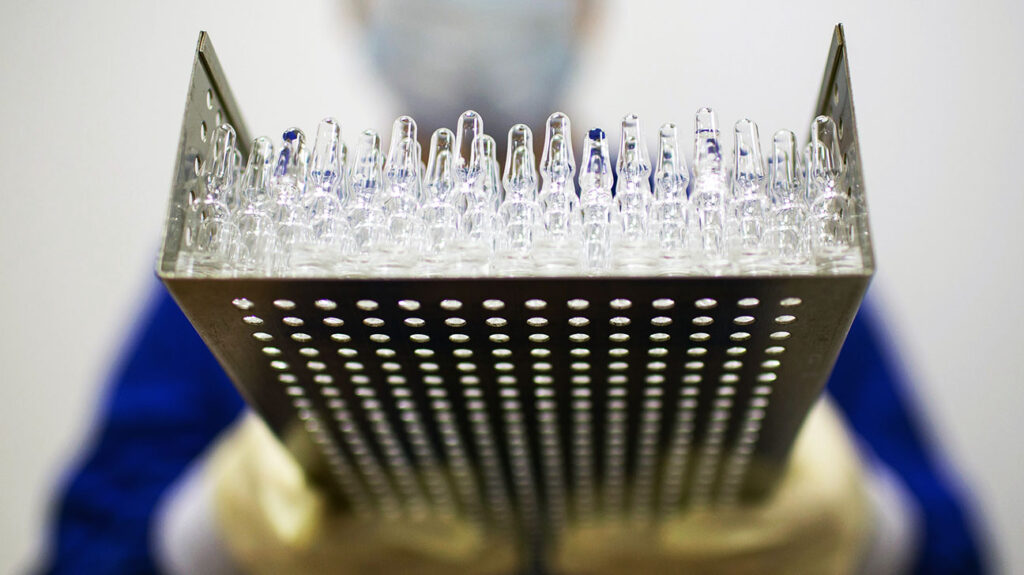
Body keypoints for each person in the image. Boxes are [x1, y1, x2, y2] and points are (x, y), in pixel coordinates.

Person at [36, 1, 989, 573]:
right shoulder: (260, 246)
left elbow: (963, 552)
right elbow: (83, 550)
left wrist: (862, 523)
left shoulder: (740, 242)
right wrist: (219, 528)